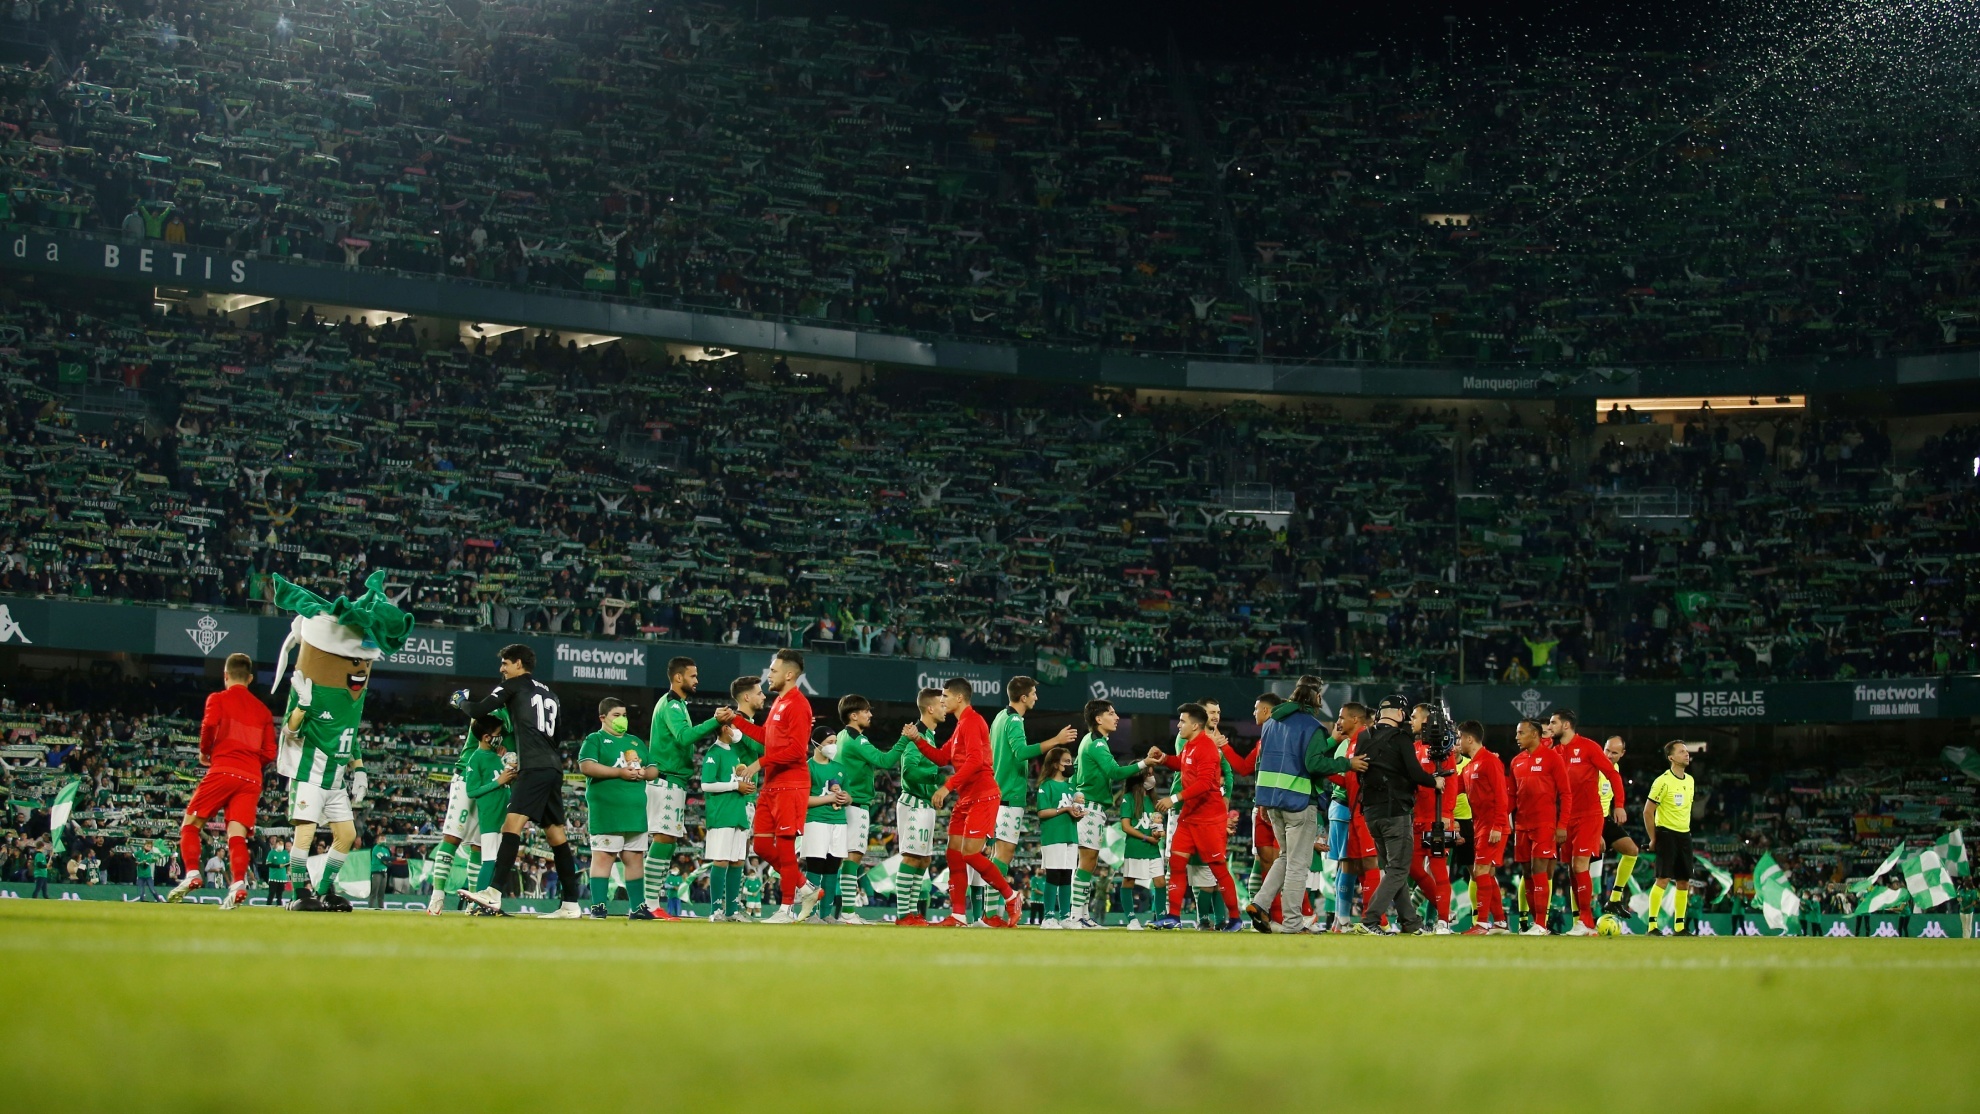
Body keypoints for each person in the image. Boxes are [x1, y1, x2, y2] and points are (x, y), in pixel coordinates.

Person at [455, 644, 585, 919]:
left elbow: (479, 710)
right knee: (556, 834)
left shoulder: (513, 685)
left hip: (535, 766)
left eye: (505, 663)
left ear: (517, 664)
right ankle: (571, 904)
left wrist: (460, 701)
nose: (501, 669)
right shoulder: (550, 693)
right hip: (552, 766)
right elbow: (557, 735)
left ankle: (493, 893)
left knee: (511, 824)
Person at [1247, 682, 1368, 933]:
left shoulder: (1271, 723)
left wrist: (1332, 741)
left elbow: (1267, 760)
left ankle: (1260, 903)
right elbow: (1313, 763)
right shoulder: (1311, 726)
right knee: (1298, 865)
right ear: (1316, 698)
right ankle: (1292, 922)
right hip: (1299, 800)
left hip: (1272, 800)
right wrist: (1347, 764)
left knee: (1286, 857)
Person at [168, 653, 278, 910]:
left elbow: (209, 725)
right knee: (237, 835)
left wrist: (205, 752)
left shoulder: (217, 698)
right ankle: (238, 883)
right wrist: (250, 761)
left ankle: (193, 873)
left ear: (225, 675)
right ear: (250, 679)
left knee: (191, 825)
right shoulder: (262, 710)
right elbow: (270, 753)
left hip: (224, 769)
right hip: (251, 778)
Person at [911, 677, 1019, 928]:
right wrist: (917, 739)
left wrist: (947, 787)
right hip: (967, 797)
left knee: (970, 853)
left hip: (983, 795)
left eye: (945, 696)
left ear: (959, 698)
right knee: (953, 854)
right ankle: (958, 915)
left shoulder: (973, 721)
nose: (942, 700)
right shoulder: (961, 726)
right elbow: (940, 757)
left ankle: (1012, 897)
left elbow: (974, 762)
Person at [729, 650, 820, 924]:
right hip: (772, 784)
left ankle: (786, 909)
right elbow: (765, 737)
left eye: (774, 670)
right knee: (762, 846)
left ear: (789, 675)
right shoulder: (779, 702)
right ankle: (805, 887)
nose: (770, 674)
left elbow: (796, 751)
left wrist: (759, 763)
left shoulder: (799, 705)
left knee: (784, 847)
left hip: (791, 783)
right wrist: (734, 720)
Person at [645, 657, 733, 920]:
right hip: (667, 780)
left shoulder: (678, 704)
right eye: (693, 676)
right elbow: (684, 737)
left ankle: (651, 902)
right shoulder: (671, 705)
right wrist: (715, 721)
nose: (697, 680)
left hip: (674, 781)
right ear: (679, 678)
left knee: (668, 841)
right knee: (663, 838)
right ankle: (649, 904)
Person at [1344, 695, 1439, 935]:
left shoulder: (1364, 736)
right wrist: (1434, 781)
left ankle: (1411, 923)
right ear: (1399, 713)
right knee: (1398, 869)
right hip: (1395, 811)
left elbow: (1359, 771)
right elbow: (1415, 773)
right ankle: (1370, 920)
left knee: (1393, 870)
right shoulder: (1401, 738)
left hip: (1371, 813)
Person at [1148, 703, 1244, 931]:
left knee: (1218, 868)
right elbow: (1181, 764)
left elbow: (1203, 784)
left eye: (1182, 721)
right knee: (1177, 863)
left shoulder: (1208, 749)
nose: (1179, 724)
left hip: (1209, 819)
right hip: (1189, 817)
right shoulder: (1190, 746)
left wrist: (1174, 798)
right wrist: (1163, 758)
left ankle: (1235, 919)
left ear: (1195, 724)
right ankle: (1173, 916)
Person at [1070, 698, 1161, 929]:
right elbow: (1114, 772)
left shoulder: (1090, 741)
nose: (1117, 717)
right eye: (1111, 713)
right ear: (1098, 719)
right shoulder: (1097, 744)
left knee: (1087, 863)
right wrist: (1143, 763)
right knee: (1086, 862)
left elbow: (1077, 773)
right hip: (1091, 808)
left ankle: (1081, 915)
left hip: (1090, 808)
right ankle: (1075, 916)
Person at [987, 676, 1078, 905]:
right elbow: (1021, 752)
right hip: (1009, 794)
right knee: (1004, 854)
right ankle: (991, 912)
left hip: (998, 791)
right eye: (1034, 693)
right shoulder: (1015, 720)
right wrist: (1056, 740)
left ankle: (988, 911)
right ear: (1023, 697)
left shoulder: (1000, 717)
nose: (1037, 697)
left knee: (996, 854)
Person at [1543, 709, 1626, 935]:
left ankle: (1586, 922)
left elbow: (1612, 774)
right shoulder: (1555, 751)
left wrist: (1619, 804)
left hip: (1590, 815)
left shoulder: (1589, 747)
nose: (1549, 727)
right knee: (1572, 869)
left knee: (1580, 865)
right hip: (1566, 817)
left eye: (1553, 723)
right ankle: (1582, 922)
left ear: (1566, 725)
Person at [577, 696, 658, 921]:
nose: (622, 719)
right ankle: (598, 907)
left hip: (635, 812)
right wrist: (620, 773)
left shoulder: (635, 742)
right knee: (603, 857)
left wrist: (643, 773)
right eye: (616, 715)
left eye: (624, 715)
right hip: (607, 811)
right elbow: (586, 766)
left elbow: (653, 769)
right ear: (603, 717)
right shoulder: (595, 740)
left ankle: (638, 907)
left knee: (634, 858)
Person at [828, 694, 895, 926]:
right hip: (855, 804)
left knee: (837, 857)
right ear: (853, 715)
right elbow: (885, 761)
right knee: (853, 856)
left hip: (844, 803)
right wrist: (906, 741)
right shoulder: (857, 739)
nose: (870, 715)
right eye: (866, 711)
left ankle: (830, 910)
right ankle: (847, 912)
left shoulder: (841, 737)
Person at [890, 688, 948, 925]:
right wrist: (937, 774)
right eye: (942, 704)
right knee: (912, 858)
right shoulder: (918, 736)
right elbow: (909, 771)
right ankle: (904, 915)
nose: (946, 708)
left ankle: (912, 912)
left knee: (923, 860)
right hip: (913, 802)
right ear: (930, 708)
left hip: (924, 804)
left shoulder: (930, 736)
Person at [1510, 718, 1569, 935]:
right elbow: (1510, 796)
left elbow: (1566, 793)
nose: (1517, 737)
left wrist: (1561, 825)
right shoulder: (1516, 761)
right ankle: (1536, 923)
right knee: (1526, 873)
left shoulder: (1553, 758)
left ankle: (1541, 924)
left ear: (1534, 734)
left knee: (1539, 871)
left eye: (1520, 733)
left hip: (1544, 825)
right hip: (1522, 825)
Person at [1325, 703, 1380, 931]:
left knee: (1350, 864)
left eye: (1341, 717)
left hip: (1352, 809)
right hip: (1344, 809)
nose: (1338, 721)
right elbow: (1343, 778)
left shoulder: (1359, 743)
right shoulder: (1346, 746)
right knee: (1347, 864)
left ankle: (1342, 919)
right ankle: (1343, 919)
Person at [699, 693, 752, 922]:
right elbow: (706, 784)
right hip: (721, 814)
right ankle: (715, 911)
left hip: (739, 813)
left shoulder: (737, 753)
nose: (736, 730)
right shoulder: (714, 753)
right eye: (732, 726)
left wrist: (744, 786)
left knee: (738, 861)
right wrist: (735, 785)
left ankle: (731, 911)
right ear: (723, 729)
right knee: (721, 861)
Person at [1455, 721, 1511, 935]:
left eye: (1460, 737)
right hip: (1480, 826)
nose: (1458, 742)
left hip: (1492, 827)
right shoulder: (1469, 767)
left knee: (1480, 871)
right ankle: (1500, 922)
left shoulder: (1490, 762)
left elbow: (1501, 795)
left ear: (1470, 739)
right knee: (1486, 875)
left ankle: (1483, 923)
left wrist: (1497, 825)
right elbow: (1453, 789)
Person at [1408, 704, 1458, 934]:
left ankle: (1444, 921)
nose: (1410, 720)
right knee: (1413, 868)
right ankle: (1444, 908)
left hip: (1437, 819)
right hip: (1417, 818)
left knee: (1439, 870)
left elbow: (1452, 784)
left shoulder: (1444, 751)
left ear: (1427, 721)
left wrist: (1447, 814)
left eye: (1414, 717)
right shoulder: (1414, 748)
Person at [460, 714, 517, 914]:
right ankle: (478, 904)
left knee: (498, 860)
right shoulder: (476, 758)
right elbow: (472, 790)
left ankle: (489, 904)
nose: (501, 737)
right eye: (498, 734)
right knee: (490, 859)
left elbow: (504, 780)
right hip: (490, 813)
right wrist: (499, 782)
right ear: (486, 737)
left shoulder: (497, 755)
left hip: (504, 812)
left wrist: (509, 773)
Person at [1644, 741, 1697, 937]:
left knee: (1684, 881)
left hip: (1685, 834)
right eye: (1682, 751)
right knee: (1663, 879)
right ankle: (1652, 926)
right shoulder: (1662, 781)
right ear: (1671, 757)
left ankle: (1680, 926)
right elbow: (1648, 812)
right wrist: (1653, 838)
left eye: (1687, 751)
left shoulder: (1690, 781)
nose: (1686, 754)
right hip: (1666, 833)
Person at [801, 731, 852, 923]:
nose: (834, 746)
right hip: (816, 821)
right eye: (829, 742)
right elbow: (803, 800)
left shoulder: (840, 768)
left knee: (832, 867)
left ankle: (826, 914)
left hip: (838, 822)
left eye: (835, 742)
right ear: (817, 743)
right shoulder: (807, 768)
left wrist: (847, 798)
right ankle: (810, 913)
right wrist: (829, 798)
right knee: (815, 866)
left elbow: (849, 796)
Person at [1035, 747, 1083, 928]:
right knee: (1053, 875)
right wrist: (1065, 809)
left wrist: (1078, 813)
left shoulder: (1072, 787)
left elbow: (1073, 810)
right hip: (1053, 836)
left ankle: (1064, 916)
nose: (1070, 765)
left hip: (1070, 835)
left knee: (1067, 876)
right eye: (1067, 761)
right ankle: (1048, 917)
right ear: (1056, 764)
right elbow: (1042, 812)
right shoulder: (1046, 785)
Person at [1599, 735, 1643, 916]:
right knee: (1582, 869)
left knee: (1632, 850)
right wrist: (1595, 832)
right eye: (1607, 750)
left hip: (1604, 819)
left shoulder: (1614, 768)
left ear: (1622, 754)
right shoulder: (1593, 768)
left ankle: (1615, 899)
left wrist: (1618, 807)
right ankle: (1579, 917)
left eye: (1614, 752)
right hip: (1588, 820)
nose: (1609, 755)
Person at [1119, 769, 1167, 929]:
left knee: (1160, 882)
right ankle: (1131, 920)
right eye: (1148, 774)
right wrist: (1146, 837)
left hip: (1152, 848)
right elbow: (1125, 826)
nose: (1152, 778)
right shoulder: (1128, 799)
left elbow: (1156, 826)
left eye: (1152, 774)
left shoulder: (1154, 801)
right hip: (1136, 847)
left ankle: (1161, 919)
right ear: (1138, 777)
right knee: (1128, 882)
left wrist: (1158, 834)